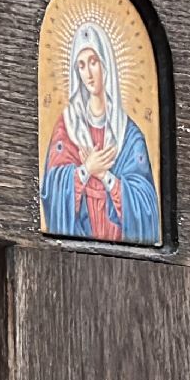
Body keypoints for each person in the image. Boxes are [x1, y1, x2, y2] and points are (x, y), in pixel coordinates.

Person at [41, 21, 160, 244]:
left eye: (93, 62)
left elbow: (147, 205)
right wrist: (86, 170)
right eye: (81, 65)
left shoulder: (129, 134)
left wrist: (106, 177)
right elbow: (51, 190)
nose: (88, 73)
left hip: (121, 249)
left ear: (106, 65)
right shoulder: (67, 126)